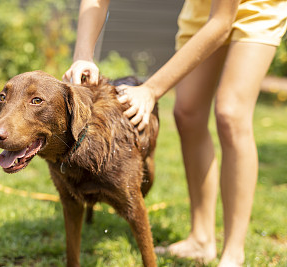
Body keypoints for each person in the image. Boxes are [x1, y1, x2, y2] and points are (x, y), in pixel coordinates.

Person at [62, 0, 287, 266]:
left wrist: (152, 89)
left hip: (254, 7)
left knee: (231, 114)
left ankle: (233, 252)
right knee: (187, 114)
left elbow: (222, 21)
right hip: (202, 9)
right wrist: (83, 55)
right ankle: (201, 239)